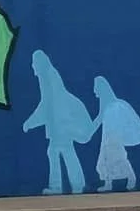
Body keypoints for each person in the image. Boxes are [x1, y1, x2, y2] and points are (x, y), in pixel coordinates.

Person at [23, 50, 94, 196]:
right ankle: (75, 185)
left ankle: (61, 187)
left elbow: (48, 105)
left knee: (57, 151)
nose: (32, 67)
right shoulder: (49, 75)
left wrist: (31, 122)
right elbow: (48, 105)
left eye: (33, 63)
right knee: (61, 152)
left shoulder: (48, 77)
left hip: (62, 124)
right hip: (62, 124)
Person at [89, 77, 140, 193]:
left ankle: (131, 179)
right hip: (107, 141)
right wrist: (89, 132)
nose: (95, 91)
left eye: (96, 88)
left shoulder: (116, 106)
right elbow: (99, 120)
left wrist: (115, 138)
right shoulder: (107, 106)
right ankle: (109, 183)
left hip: (114, 140)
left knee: (119, 160)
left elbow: (121, 123)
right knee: (105, 162)